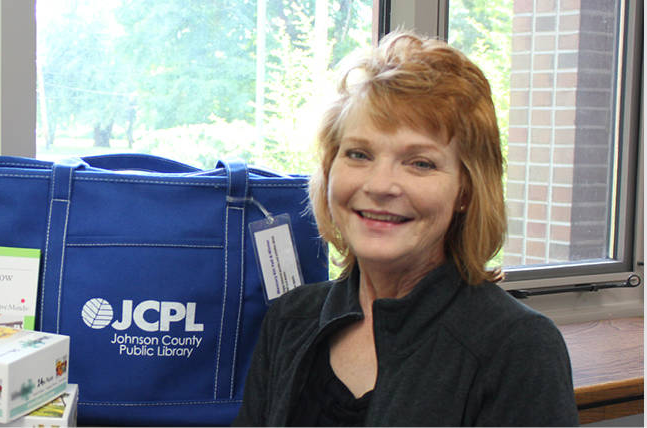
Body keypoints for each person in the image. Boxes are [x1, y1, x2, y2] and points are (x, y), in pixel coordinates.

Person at [233, 31, 578, 426]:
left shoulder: (517, 347)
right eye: (359, 154)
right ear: (330, 172)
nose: (380, 185)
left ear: (466, 190)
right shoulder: (290, 319)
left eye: (420, 163)